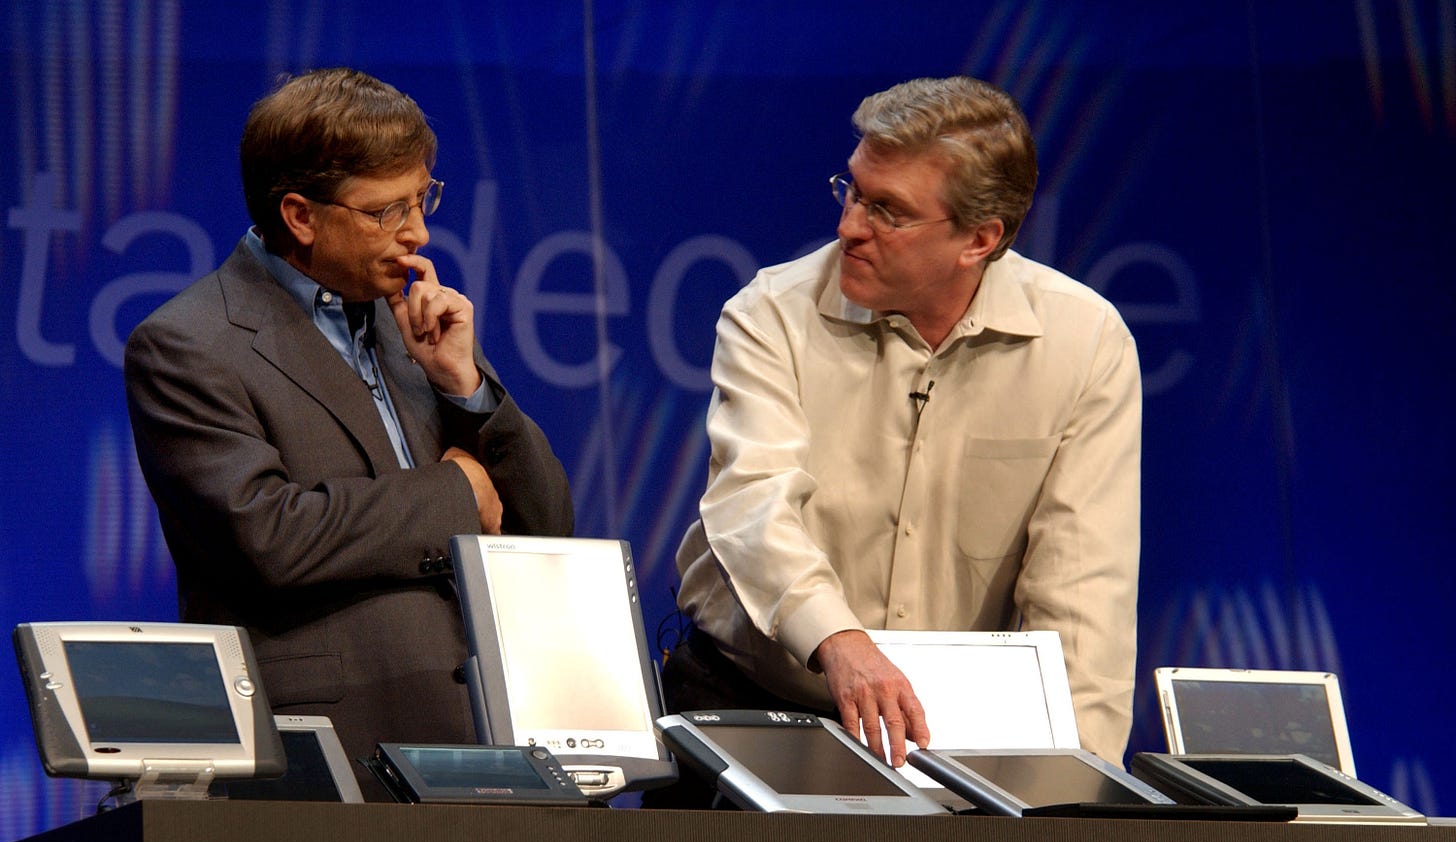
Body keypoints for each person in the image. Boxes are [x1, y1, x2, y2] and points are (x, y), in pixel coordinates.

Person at [660, 75, 1140, 803]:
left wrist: (1075, 795)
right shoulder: (770, 316)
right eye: (851, 191)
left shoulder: (1085, 342)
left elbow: (1082, 599)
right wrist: (840, 640)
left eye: (888, 210)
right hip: (756, 702)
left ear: (978, 240)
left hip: (944, 731)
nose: (850, 225)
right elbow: (753, 504)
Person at [123, 67, 573, 799]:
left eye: (422, 198)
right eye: (386, 211)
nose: (418, 233)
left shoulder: (415, 322)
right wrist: (454, 492)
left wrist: (468, 387)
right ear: (300, 216)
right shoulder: (189, 344)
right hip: (330, 754)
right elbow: (269, 535)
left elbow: (546, 526)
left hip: (489, 742)